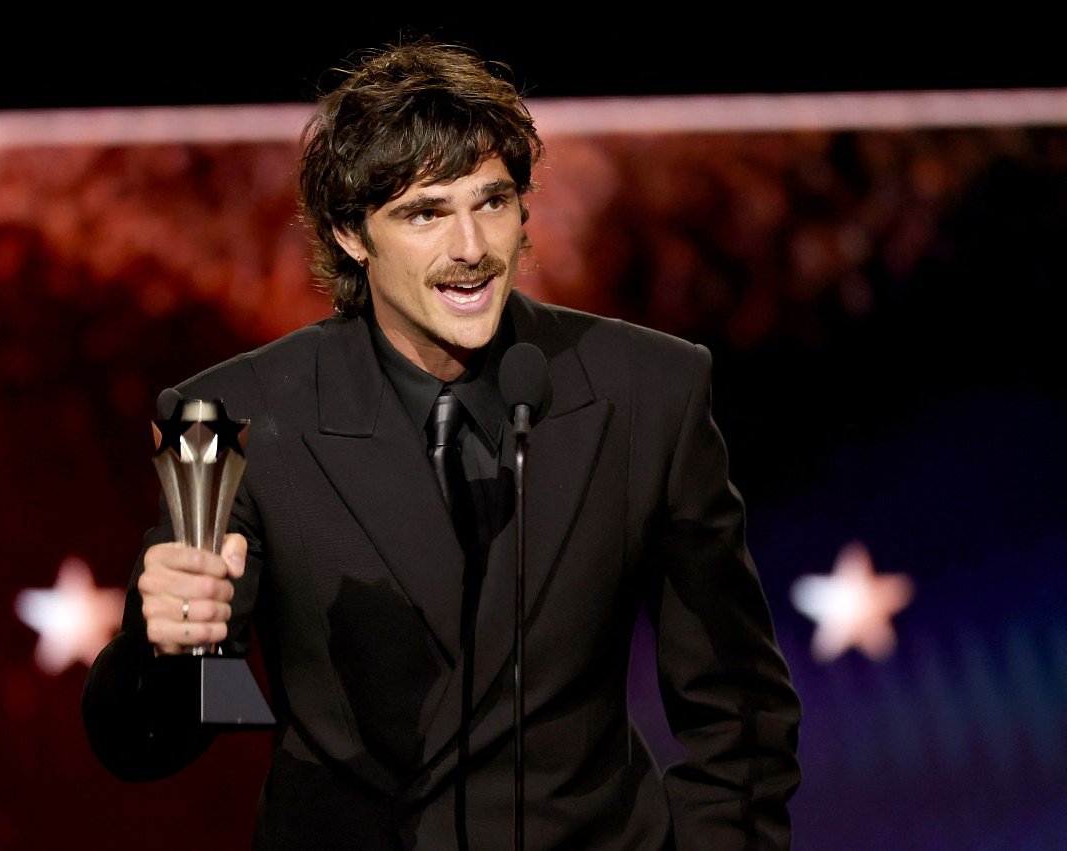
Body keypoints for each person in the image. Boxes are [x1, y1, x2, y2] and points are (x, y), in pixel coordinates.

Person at [83, 42, 801, 850]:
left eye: (492, 202)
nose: (471, 248)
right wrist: (164, 650)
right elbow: (142, 745)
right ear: (351, 234)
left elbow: (740, 709)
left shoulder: (647, 390)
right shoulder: (236, 417)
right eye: (426, 213)